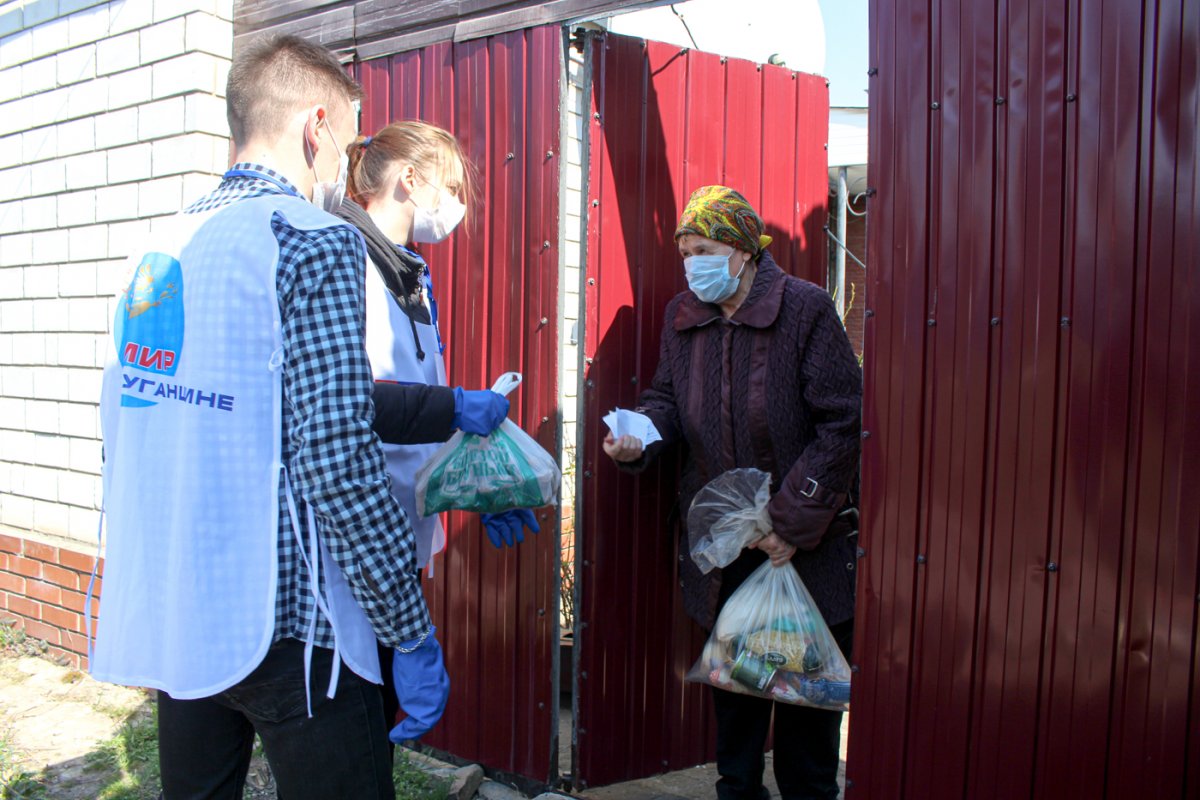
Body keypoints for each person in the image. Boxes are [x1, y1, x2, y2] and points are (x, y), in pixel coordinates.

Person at [95, 35, 443, 799]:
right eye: (346, 144)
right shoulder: (310, 240)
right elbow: (335, 457)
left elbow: (129, 429)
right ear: (317, 127)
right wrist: (408, 626)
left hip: (186, 608)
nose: (342, 170)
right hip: (300, 633)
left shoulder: (159, 245)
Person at [602, 185, 862, 800]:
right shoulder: (682, 316)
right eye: (686, 252)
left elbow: (843, 422)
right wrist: (640, 438)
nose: (694, 264)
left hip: (805, 549)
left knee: (805, 734)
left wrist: (791, 521)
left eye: (707, 249)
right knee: (737, 730)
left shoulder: (805, 309)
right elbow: (666, 400)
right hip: (727, 551)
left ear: (744, 252)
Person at [333, 120, 540, 745]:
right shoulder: (342, 261)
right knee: (347, 739)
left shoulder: (411, 277)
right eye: (448, 187)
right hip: (348, 549)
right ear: (409, 179)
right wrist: (451, 408)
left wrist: (468, 487)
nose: (454, 207)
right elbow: (341, 406)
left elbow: (418, 418)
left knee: (375, 735)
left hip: (402, 537)